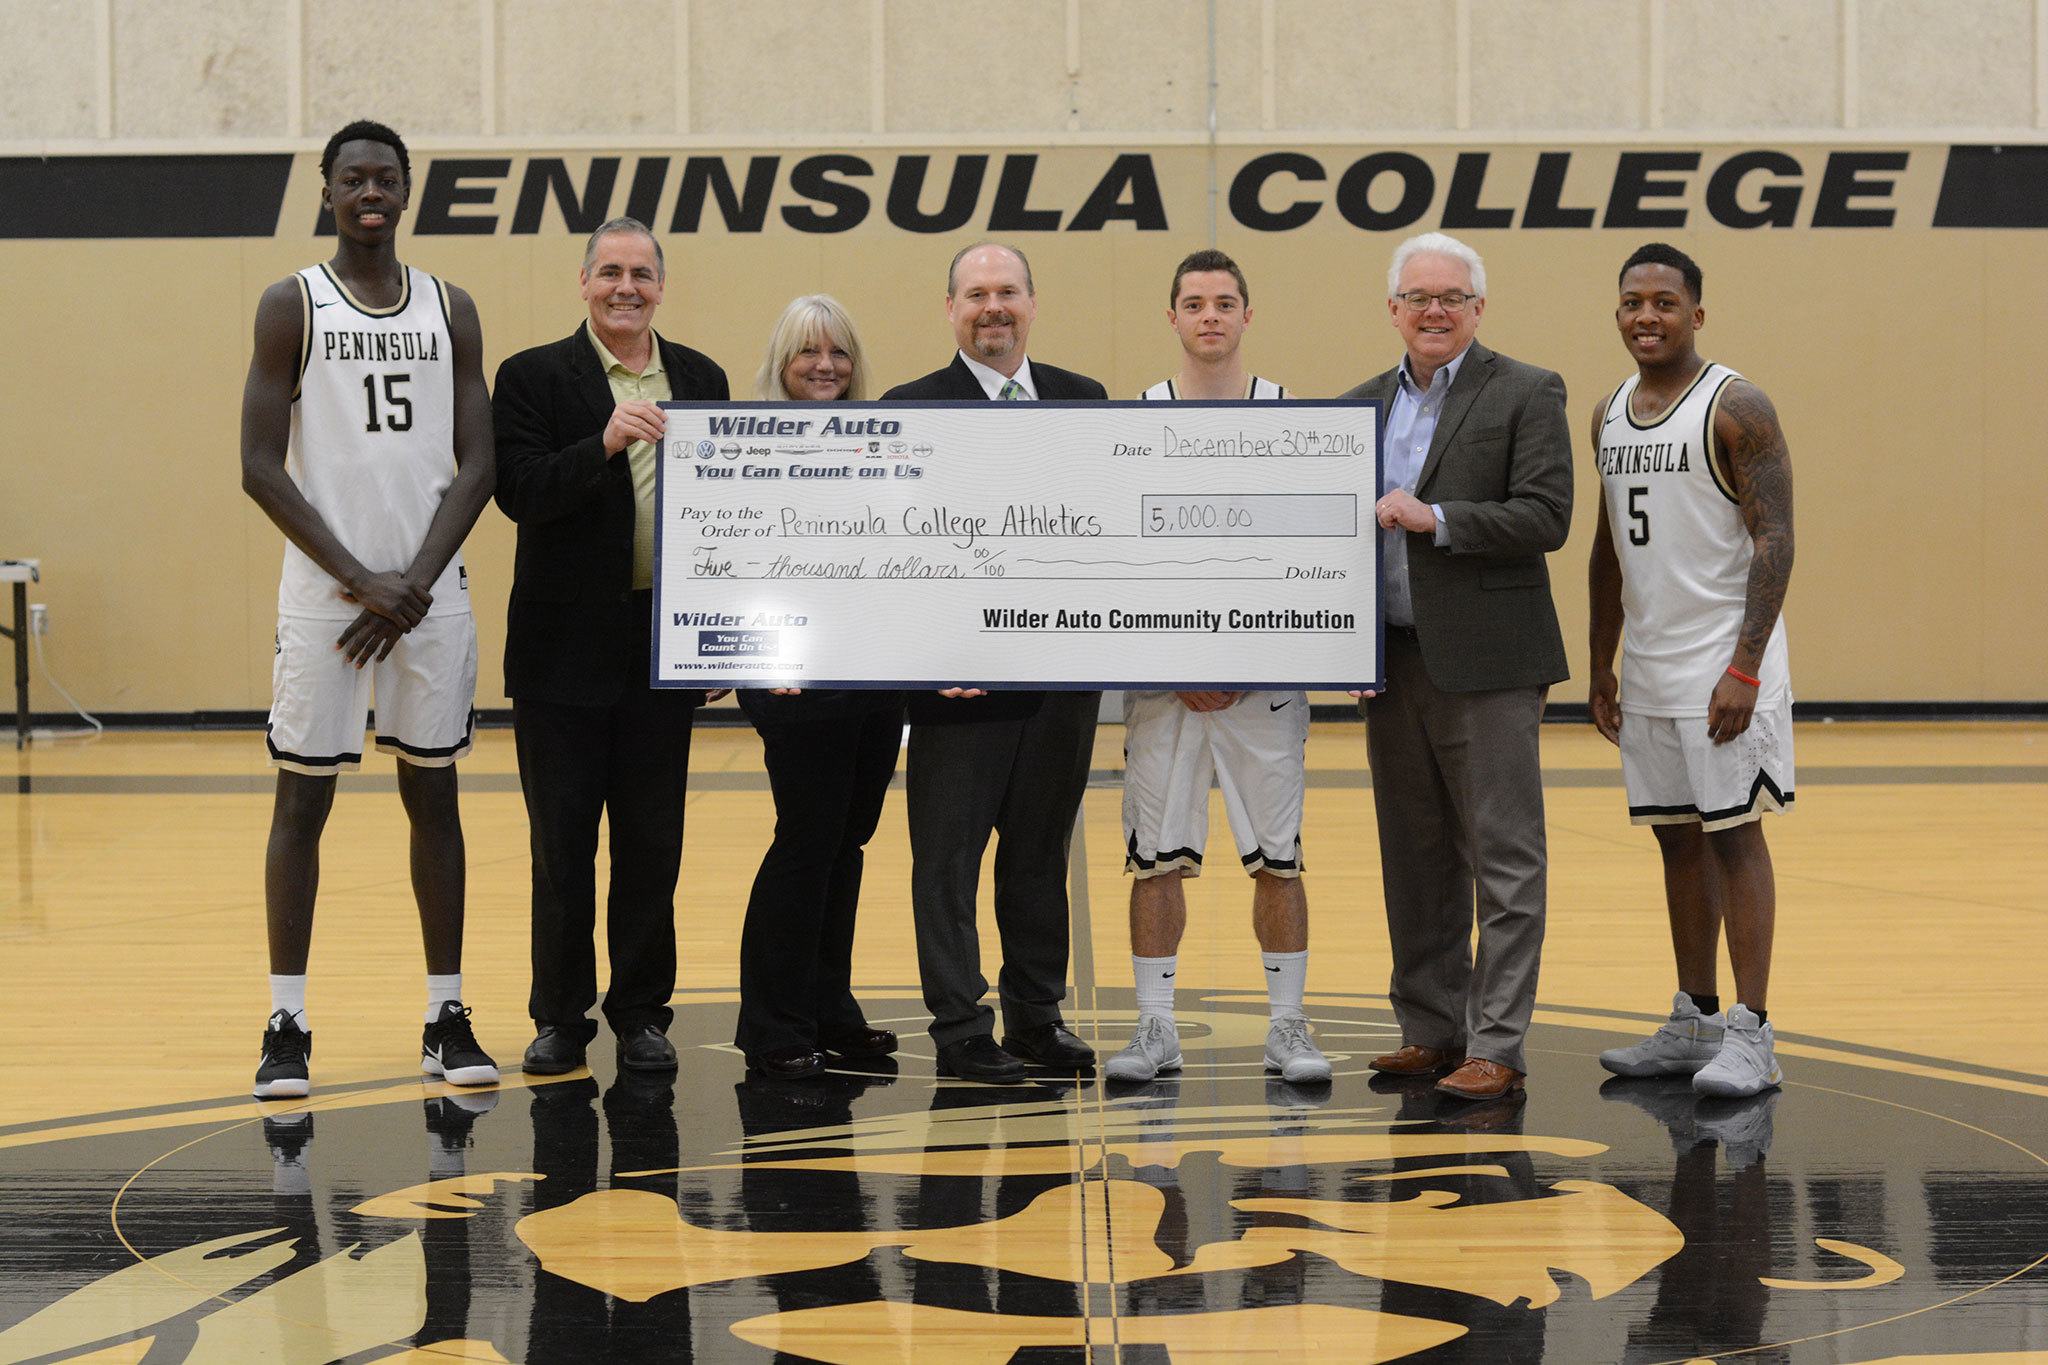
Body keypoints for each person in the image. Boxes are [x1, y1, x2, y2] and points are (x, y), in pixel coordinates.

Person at [239, 119, 498, 1099]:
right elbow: (259, 467)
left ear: (406, 188)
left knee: (433, 796)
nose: (370, 192)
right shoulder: (289, 304)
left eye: (385, 177)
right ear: (327, 190)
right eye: (353, 178)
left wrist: (412, 585)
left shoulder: (450, 307)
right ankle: (286, 1021)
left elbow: (479, 463)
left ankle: (444, 1013)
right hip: (327, 599)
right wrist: (363, 578)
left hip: (428, 595)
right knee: (302, 798)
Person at [492, 217, 730, 1076]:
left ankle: (641, 1013)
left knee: (650, 841)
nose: (625, 286)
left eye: (641, 273)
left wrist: (718, 646)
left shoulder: (700, 376)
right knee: (562, 846)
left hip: (661, 646)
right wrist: (604, 440)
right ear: (583, 282)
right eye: (609, 272)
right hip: (561, 653)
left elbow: (728, 519)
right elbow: (517, 491)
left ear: (661, 286)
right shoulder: (531, 376)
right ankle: (560, 1017)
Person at [1342, 232, 1572, 1101]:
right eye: (1417, 297)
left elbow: (1546, 514)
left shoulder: (1525, 389)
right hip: (1391, 663)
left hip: (1491, 664)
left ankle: (1498, 1041)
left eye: (1451, 297)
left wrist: (1437, 517)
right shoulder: (1358, 407)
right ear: (1392, 309)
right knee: (1416, 855)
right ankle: (1430, 1029)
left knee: (1503, 858)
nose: (1433, 311)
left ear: (1479, 307)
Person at [882, 242, 1109, 1083]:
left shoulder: (1086, 402)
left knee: (1039, 852)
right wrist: (921, 659)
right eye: (975, 294)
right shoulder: (910, 408)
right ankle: (958, 1027)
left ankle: (1037, 1016)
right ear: (950, 310)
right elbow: (886, 550)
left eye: (1006, 291)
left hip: (1058, 679)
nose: (993, 307)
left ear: (1032, 302)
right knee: (946, 859)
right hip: (955, 685)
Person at [1103, 249, 1328, 1086]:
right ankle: (1155, 1028)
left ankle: (1287, 1026)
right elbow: (1116, 559)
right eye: (1193, 302)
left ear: (1246, 315)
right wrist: (1170, 657)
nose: (1209, 316)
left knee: (1279, 856)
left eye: (1224, 302)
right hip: (1165, 684)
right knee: (1153, 856)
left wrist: (1248, 656)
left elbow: (1308, 556)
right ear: (1171, 317)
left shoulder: (1291, 418)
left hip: (1261, 683)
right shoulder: (1136, 422)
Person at [1589, 242, 1795, 1098]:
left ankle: (1753, 1032)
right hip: (1650, 667)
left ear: (1696, 314)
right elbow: (1608, 545)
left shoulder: (1734, 405)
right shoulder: (1607, 410)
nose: (1647, 315)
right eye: (1633, 301)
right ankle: (1695, 1017)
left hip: (1723, 665)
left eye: (1665, 302)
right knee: (1676, 839)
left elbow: (1775, 538)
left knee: (1735, 838)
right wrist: (1601, 659)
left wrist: (1745, 667)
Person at [731, 294, 904, 1079]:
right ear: (782, 362)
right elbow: (728, 558)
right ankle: (774, 1021)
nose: (825, 365)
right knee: (806, 839)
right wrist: (762, 659)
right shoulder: (747, 448)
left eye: (838, 351)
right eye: (808, 352)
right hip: (793, 679)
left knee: (847, 842)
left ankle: (829, 1004)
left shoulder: (881, 445)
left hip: (870, 674)